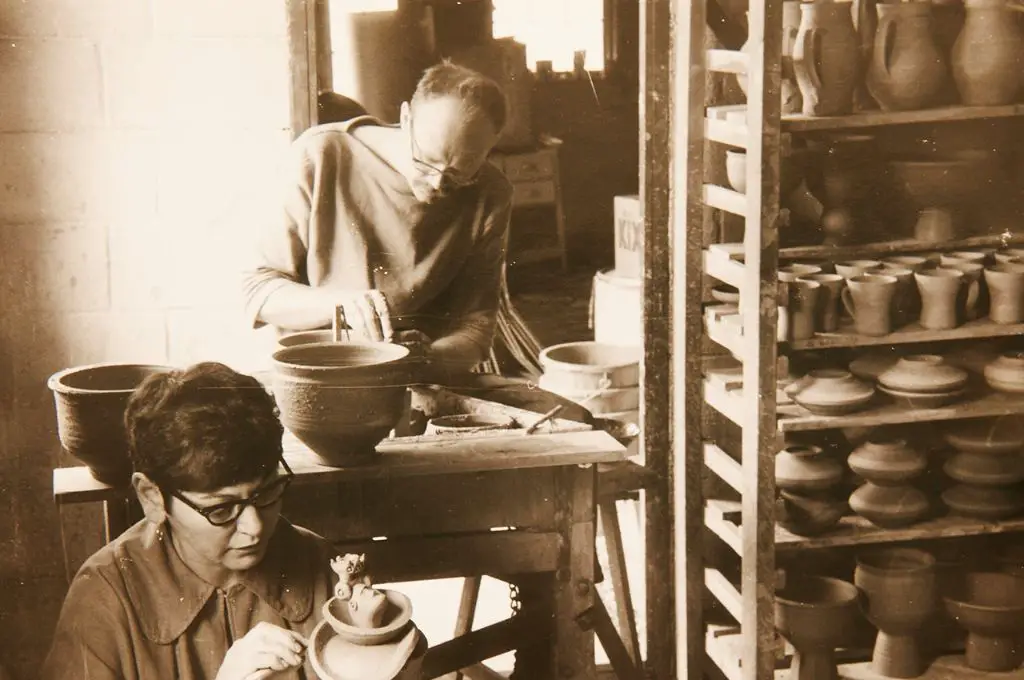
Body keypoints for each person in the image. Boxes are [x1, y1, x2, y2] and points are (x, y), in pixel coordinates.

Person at [42, 362, 335, 680]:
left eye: (266, 493)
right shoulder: (103, 598)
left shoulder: (322, 566)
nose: (256, 527)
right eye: (221, 510)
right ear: (152, 497)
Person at [241, 60, 514, 381]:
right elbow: (256, 292)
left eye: (458, 174)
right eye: (426, 161)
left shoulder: (490, 192)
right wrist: (341, 304)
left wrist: (425, 357)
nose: (438, 185)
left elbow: (477, 323)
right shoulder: (320, 155)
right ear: (405, 118)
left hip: (419, 379)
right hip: (322, 376)